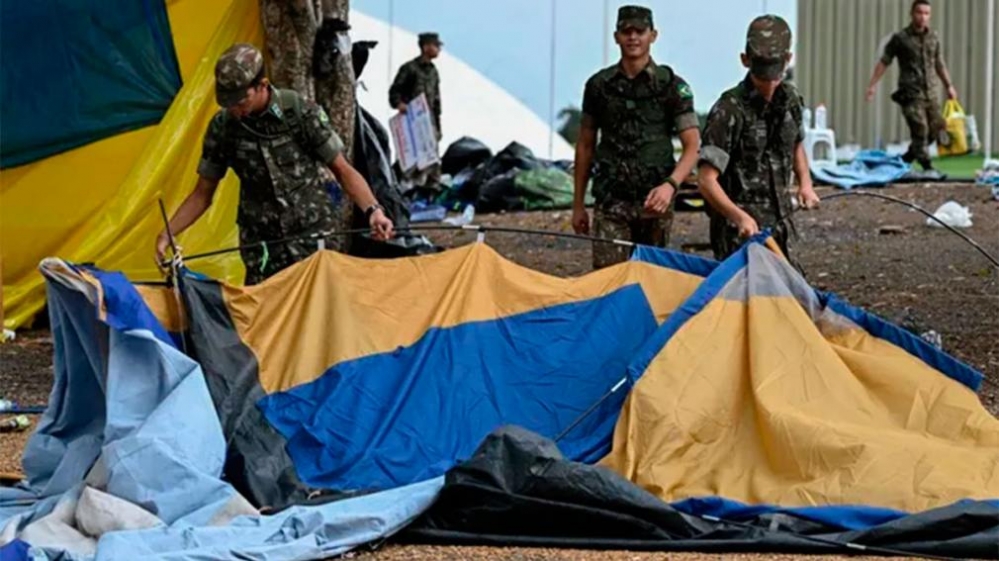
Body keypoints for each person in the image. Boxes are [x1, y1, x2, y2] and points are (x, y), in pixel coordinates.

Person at [155, 43, 394, 285]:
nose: (235, 110)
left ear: (262, 85)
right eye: (229, 103)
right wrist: (167, 233)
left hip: (312, 238)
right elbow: (202, 194)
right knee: (265, 307)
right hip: (263, 248)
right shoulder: (223, 128)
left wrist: (374, 211)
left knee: (321, 302)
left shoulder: (299, 112)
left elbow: (342, 170)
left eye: (241, 101)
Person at [571, 5, 701, 269]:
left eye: (640, 31)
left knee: (652, 279)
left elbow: (693, 145)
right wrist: (578, 205)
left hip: (655, 201)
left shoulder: (672, 86)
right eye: (626, 31)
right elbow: (585, 146)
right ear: (616, 37)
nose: (633, 37)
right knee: (609, 280)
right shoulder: (599, 87)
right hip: (612, 201)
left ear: (653, 35)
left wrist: (670, 186)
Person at [697, 15, 819, 266]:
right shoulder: (729, 110)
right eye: (762, 72)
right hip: (739, 235)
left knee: (789, 287)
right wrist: (738, 217)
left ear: (788, 59)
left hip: (782, 225)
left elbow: (796, 144)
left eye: (774, 71)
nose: (769, 82)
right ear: (745, 60)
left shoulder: (791, 100)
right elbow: (706, 181)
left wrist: (805, 184)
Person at [865, 0, 958, 171]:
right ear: (912, 14)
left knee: (937, 128)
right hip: (910, 93)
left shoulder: (933, 37)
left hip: (930, 92)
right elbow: (884, 61)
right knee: (920, 128)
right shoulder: (900, 38)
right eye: (919, 12)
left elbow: (939, 63)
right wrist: (872, 85)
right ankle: (927, 165)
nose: (922, 17)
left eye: (926, 13)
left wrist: (949, 86)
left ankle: (907, 158)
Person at [389, 32, 443, 186]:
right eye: (435, 45)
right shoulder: (410, 68)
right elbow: (395, 91)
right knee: (411, 161)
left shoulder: (433, 71)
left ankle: (431, 189)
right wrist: (399, 104)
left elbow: (436, 101)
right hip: (411, 123)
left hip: (428, 122)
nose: (438, 49)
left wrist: (438, 127)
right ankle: (407, 188)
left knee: (432, 159)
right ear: (426, 47)